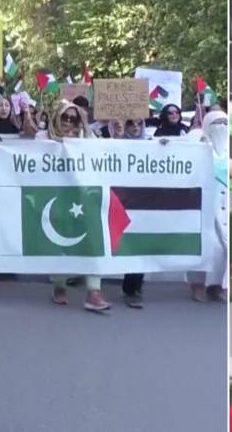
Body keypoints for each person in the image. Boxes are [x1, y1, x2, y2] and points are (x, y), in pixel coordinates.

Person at [34, 101, 110, 312]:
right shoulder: (43, 138)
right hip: (55, 197)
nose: (69, 122)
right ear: (57, 117)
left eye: (73, 118)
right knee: (59, 243)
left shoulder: (86, 139)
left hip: (84, 198)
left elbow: (104, 151)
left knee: (95, 241)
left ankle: (94, 292)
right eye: (65, 117)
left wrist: (84, 125)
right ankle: (59, 285)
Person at [188, 110, 228, 302]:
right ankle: (196, 284)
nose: (222, 127)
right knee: (203, 244)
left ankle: (216, 285)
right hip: (202, 203)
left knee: (222, 248)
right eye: (217, 123)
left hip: (224, 204)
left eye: (225, 122)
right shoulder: (198, 145)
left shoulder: (231, 150)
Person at [117, 118, 149, 308]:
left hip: (143, 200)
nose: (135, 127)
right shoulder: (115, 142)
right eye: (131, 124)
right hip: (120, 199)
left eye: (139, 124)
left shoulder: (151, 144)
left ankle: (133, 287)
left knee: (140, 242)